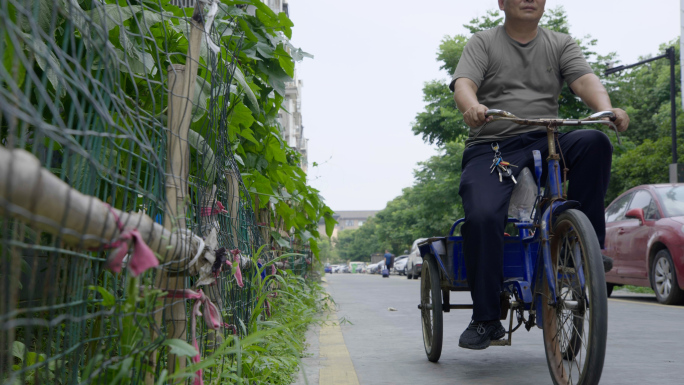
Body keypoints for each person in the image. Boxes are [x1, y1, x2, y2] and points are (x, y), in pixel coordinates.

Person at [450, 0, 629, 350]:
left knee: (594, 141)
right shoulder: (483, 42)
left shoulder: (560, 43)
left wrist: (606, 109)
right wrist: (471, 106)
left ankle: (583, 243)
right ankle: (486, 318)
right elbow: (464, 84)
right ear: (502, 3)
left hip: (546, 135)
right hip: (494, 144)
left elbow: (584, 80)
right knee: (484, 215)